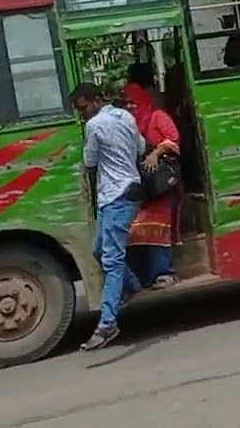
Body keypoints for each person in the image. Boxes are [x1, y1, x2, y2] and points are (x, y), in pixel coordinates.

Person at [72, 82, 146, 350]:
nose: (82, 114)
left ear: (94, 101)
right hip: (127, 191)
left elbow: (90, 162)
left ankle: (107, 323)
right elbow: (140, 148)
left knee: (111, 261)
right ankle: (133, 285)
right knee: (99, 249)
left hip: (115, 196)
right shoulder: (126, 116)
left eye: (82, 108)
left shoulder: (94, 126)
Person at [122, 63, 182, 289]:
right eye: (127, 103)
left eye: (133, 102)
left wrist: (156, 153)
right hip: (143, 186)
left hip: (162, 184)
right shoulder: (127, 125)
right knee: (139, 231)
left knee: (159, 227)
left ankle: (164, 273)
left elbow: (174, 140)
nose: (131, 107)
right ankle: (147, 276)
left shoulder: (158, 116)